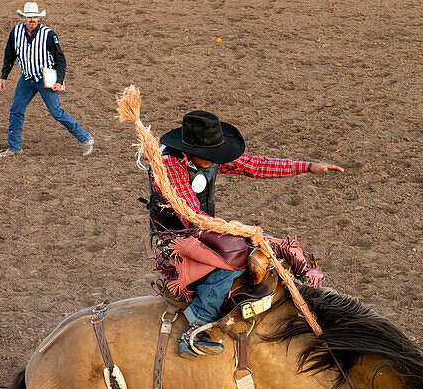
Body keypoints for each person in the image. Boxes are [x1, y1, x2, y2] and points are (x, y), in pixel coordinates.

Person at [147, 110, 343, 358]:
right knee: (235, 257)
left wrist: (306, 167)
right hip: (176, 238)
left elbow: (254, 165)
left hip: (204, 227)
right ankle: (198, 324)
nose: (215, 159)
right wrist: (238, 232)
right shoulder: (168, 166)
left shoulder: (202, 157)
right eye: (210, 154)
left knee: (262, 248)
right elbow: (190, 216)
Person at [0, 2, 93, 157]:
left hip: (45, 78)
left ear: (39, 18)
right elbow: (10, 54)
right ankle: (14, 147)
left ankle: (85, 138)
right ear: (24, 18)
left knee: (56, 112)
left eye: (34, 17)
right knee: (16, 110)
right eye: (29, 17)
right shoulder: (16, 32)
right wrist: (4, 76)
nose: (32, 20)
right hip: (27, 78)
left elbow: (60, 59)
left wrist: (59, 81)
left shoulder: (48, 34)